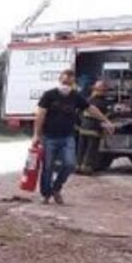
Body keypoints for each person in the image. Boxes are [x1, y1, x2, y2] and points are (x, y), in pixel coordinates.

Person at [33, 69, 114, 204]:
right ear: (60, 80)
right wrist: (36, 135)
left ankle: (56, 188)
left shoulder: (75, 96)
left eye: (69, 82)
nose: (66, 84)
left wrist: (106, 120)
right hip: (49, 137)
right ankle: (46, 194)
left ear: (73, 83)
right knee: (48, 167)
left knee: (70, 164)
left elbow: (91, 109)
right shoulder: (49, 95)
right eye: (64, 81)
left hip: (67, 137)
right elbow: (40, 115)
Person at [76, 80, 111, 175]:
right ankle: (87, 168)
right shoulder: (104, 103)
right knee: (91, 149)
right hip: (94, 130)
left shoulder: (87, 100)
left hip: (83, 128)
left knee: (81, 148)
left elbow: (79, 113)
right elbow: (106, 117)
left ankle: (78, 166)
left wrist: (80, 124)